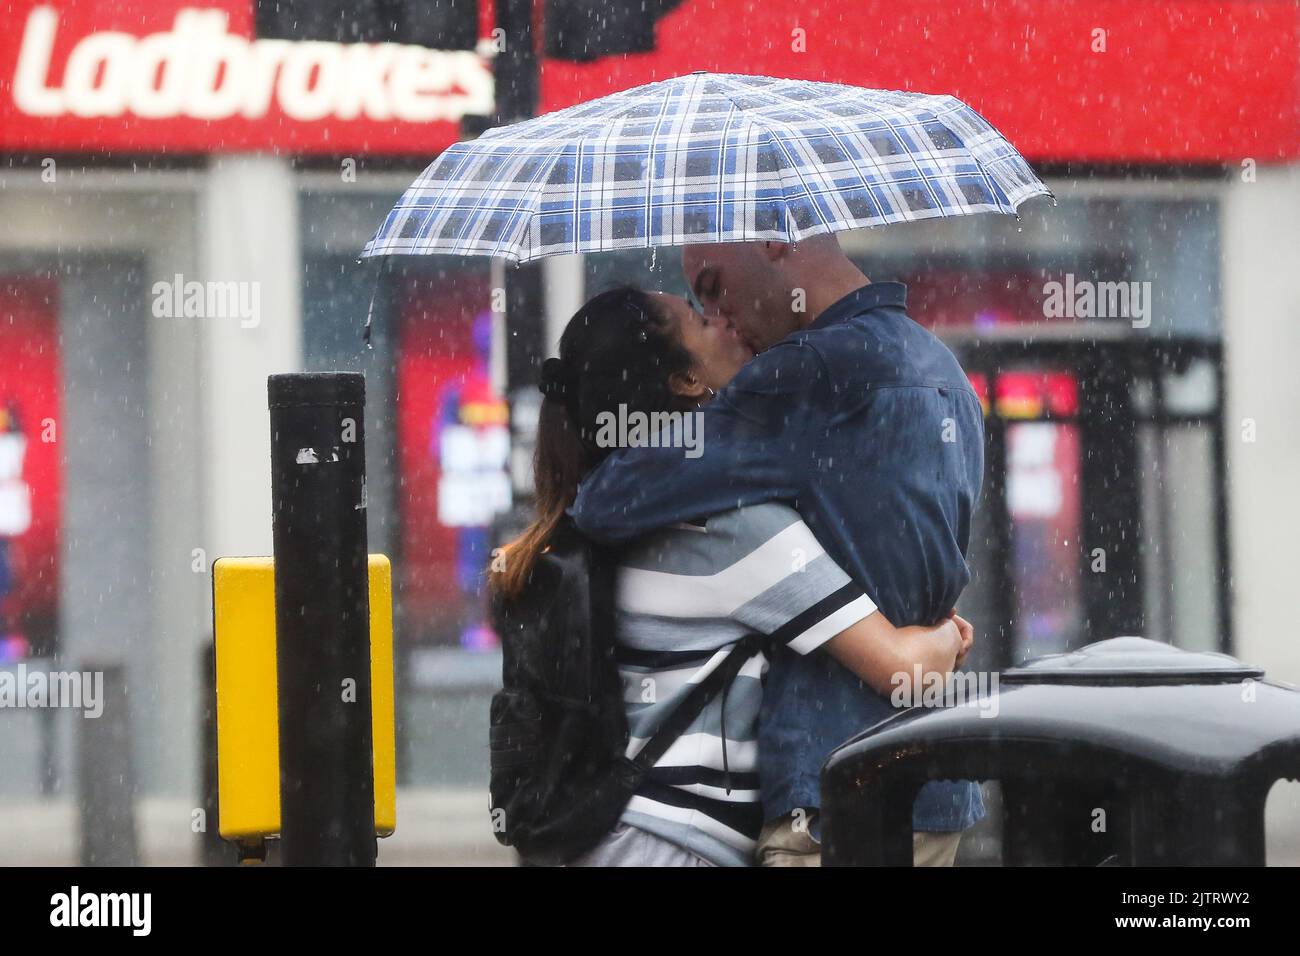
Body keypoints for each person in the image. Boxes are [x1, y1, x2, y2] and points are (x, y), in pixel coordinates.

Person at [491, 286, 972, 866]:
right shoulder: (730, 529)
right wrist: (948, 633)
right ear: (687, 382)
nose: (721, 318)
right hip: (678, 842)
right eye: (700, 318)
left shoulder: (599, 520)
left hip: (608, 837)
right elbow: (900, 669)